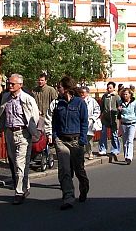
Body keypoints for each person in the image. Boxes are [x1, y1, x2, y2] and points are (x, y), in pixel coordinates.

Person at [0, 73, 40, 205]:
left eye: (13, 84)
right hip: (9, 132)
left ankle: (19, 192)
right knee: (14, 161)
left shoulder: (27, 98)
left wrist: (32, 131)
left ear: (20, 85)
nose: (10, 86)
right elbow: (0, 113)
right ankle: (26, 186)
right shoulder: (5, 97)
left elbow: (34, 116)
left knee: (20, 163)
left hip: (22, 133)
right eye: (9, 83)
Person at [51, 76, 89, 210]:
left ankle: (84, 187)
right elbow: (54, 122)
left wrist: (82, 140)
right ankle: (68, 197)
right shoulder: (59, 103)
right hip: (62, 140)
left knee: (79, 170)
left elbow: (85, 122)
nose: (58, 89)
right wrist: (55, 136)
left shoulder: (79, 103)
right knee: (65, 170)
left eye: (59, 87)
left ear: (66, 89)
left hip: (76, 141)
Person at [118, 87, 136, 164]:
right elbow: (118, 115)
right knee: (124, 142)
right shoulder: (121, 102)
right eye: (124, 94)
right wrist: (119, 110)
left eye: (126, 94)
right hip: (124, 123)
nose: (125, 96)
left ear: (130, 95)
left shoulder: (134, 102)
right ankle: (126, 156)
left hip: (132, 123)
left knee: (130, 140)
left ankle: (129, 157)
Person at [98, 82, 121, 158]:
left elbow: (120, 105)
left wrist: (118, 113)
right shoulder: (104, 96)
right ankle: (103, 149)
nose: (109, 89)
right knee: (103, 133)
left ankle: (115, 149)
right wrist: (100, 114)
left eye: (110, 88)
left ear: (114, 88)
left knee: (114, 135)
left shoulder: (116, 96)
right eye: (108, 88)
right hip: (105, 118)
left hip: (114, 118)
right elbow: (102, 106)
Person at [80, 86, 100, 159]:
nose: (81, 94)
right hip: (80, 122)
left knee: (89, 139)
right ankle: (81, 153)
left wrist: (93, 118)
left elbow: (97, 110)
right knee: (80, 138)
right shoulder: (78, 100)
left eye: (83, 92)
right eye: (80, 92)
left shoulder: (92, 101)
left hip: (89, 122)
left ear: (87, 93)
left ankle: (90, 152)